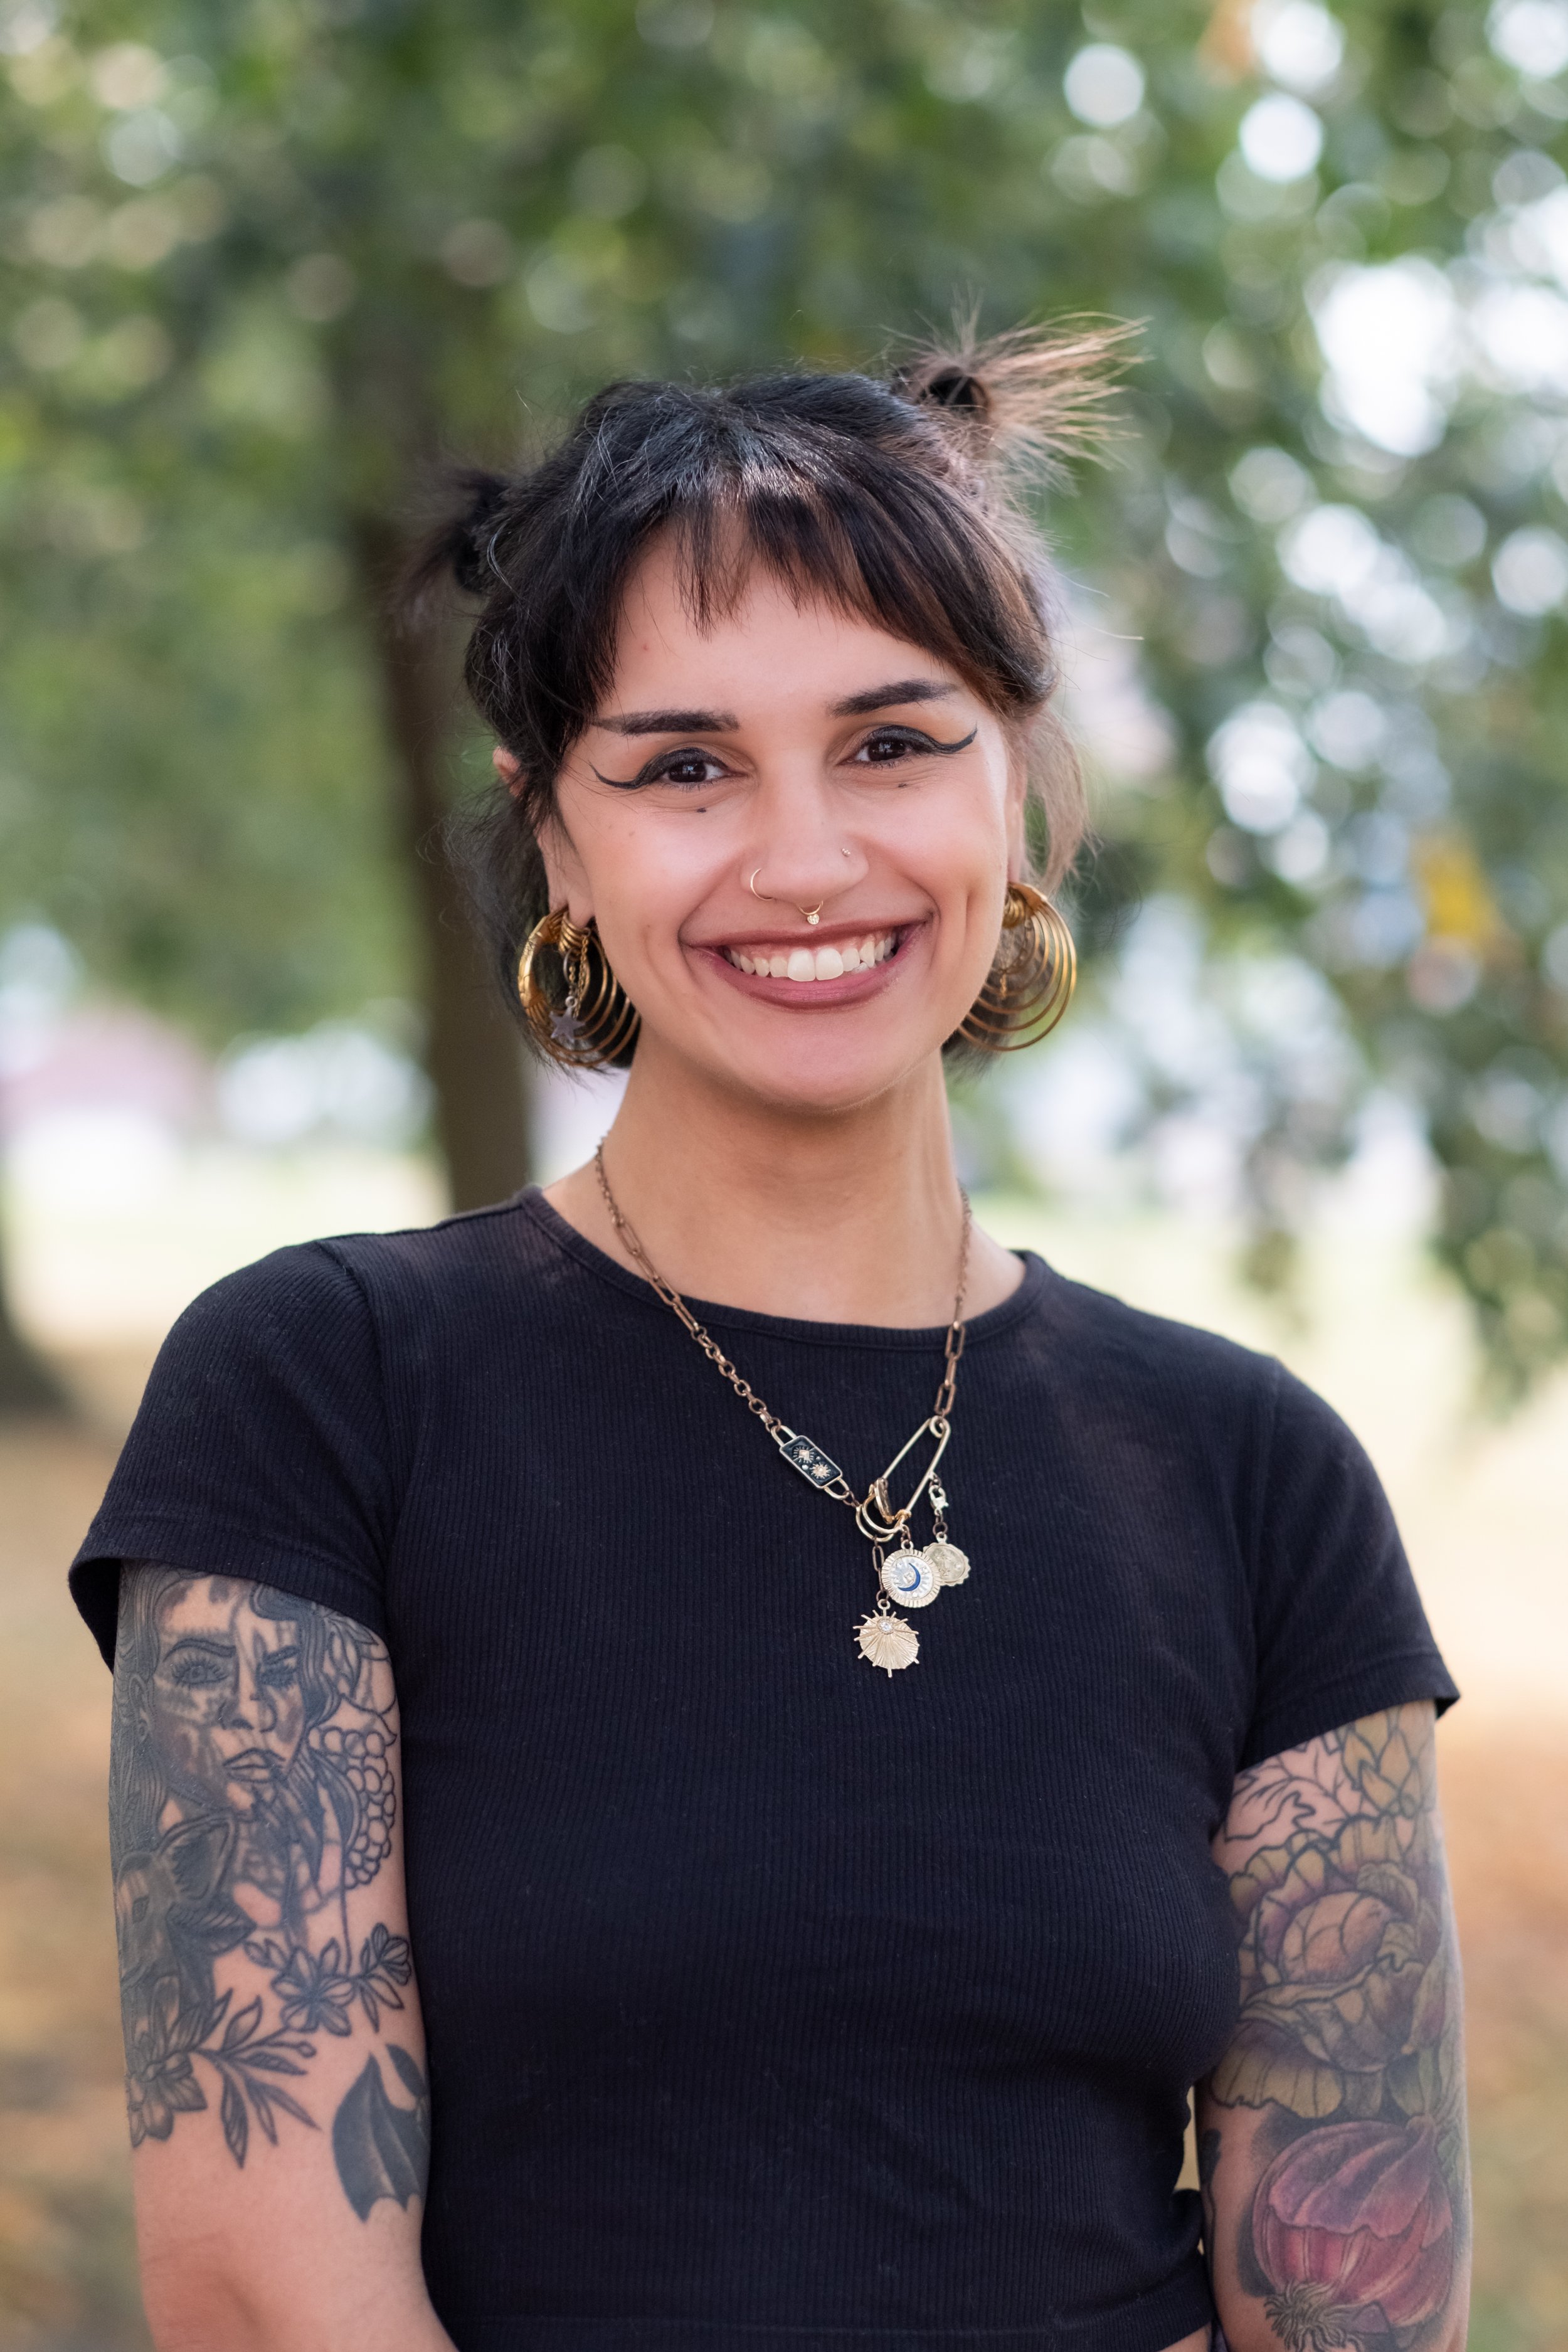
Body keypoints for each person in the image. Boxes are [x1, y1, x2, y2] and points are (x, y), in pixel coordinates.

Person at [71, 329, 1468, 2352]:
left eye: (893, 743)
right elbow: (266, 2297)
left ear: (1023, 786)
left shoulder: (1256, 1476)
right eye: (683, 766)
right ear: (555, 832)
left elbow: (1353, 2298)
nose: (804, 859)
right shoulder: (323, 1393)